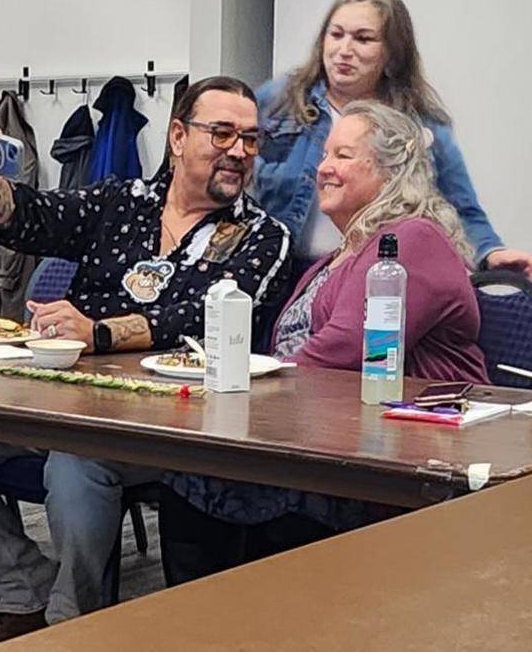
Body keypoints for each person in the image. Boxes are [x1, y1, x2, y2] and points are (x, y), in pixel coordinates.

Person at [0, 77, 292, 647]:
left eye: (250, 139)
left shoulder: (261, 236)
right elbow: (32, 217)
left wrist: (97, 332)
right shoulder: (120, 202)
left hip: (170, 424)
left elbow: (200, 317)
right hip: (67, 402)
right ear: (177, 136)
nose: (239, 151)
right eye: (221, 133)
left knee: (74, 466)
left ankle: (74, 626)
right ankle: (25, 585)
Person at [161, 101, 487, 584]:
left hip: (394, 457)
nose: (323, 168)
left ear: (392, 171)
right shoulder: (341, 253)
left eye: (343, 155)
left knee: (201, 479)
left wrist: (257, 390)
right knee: (188, 472)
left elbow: (347, 346)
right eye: (325, 154)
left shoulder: (412, 240)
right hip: (324, 435)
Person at [255, 0, 530, 274]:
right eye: (336, 35)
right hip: (284, 272)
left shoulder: (419, 120)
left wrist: (491, 252)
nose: (343, 50)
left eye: (363, 39)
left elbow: (461, 206)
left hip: (373, 273)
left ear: (392, 53)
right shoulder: (279, 98)